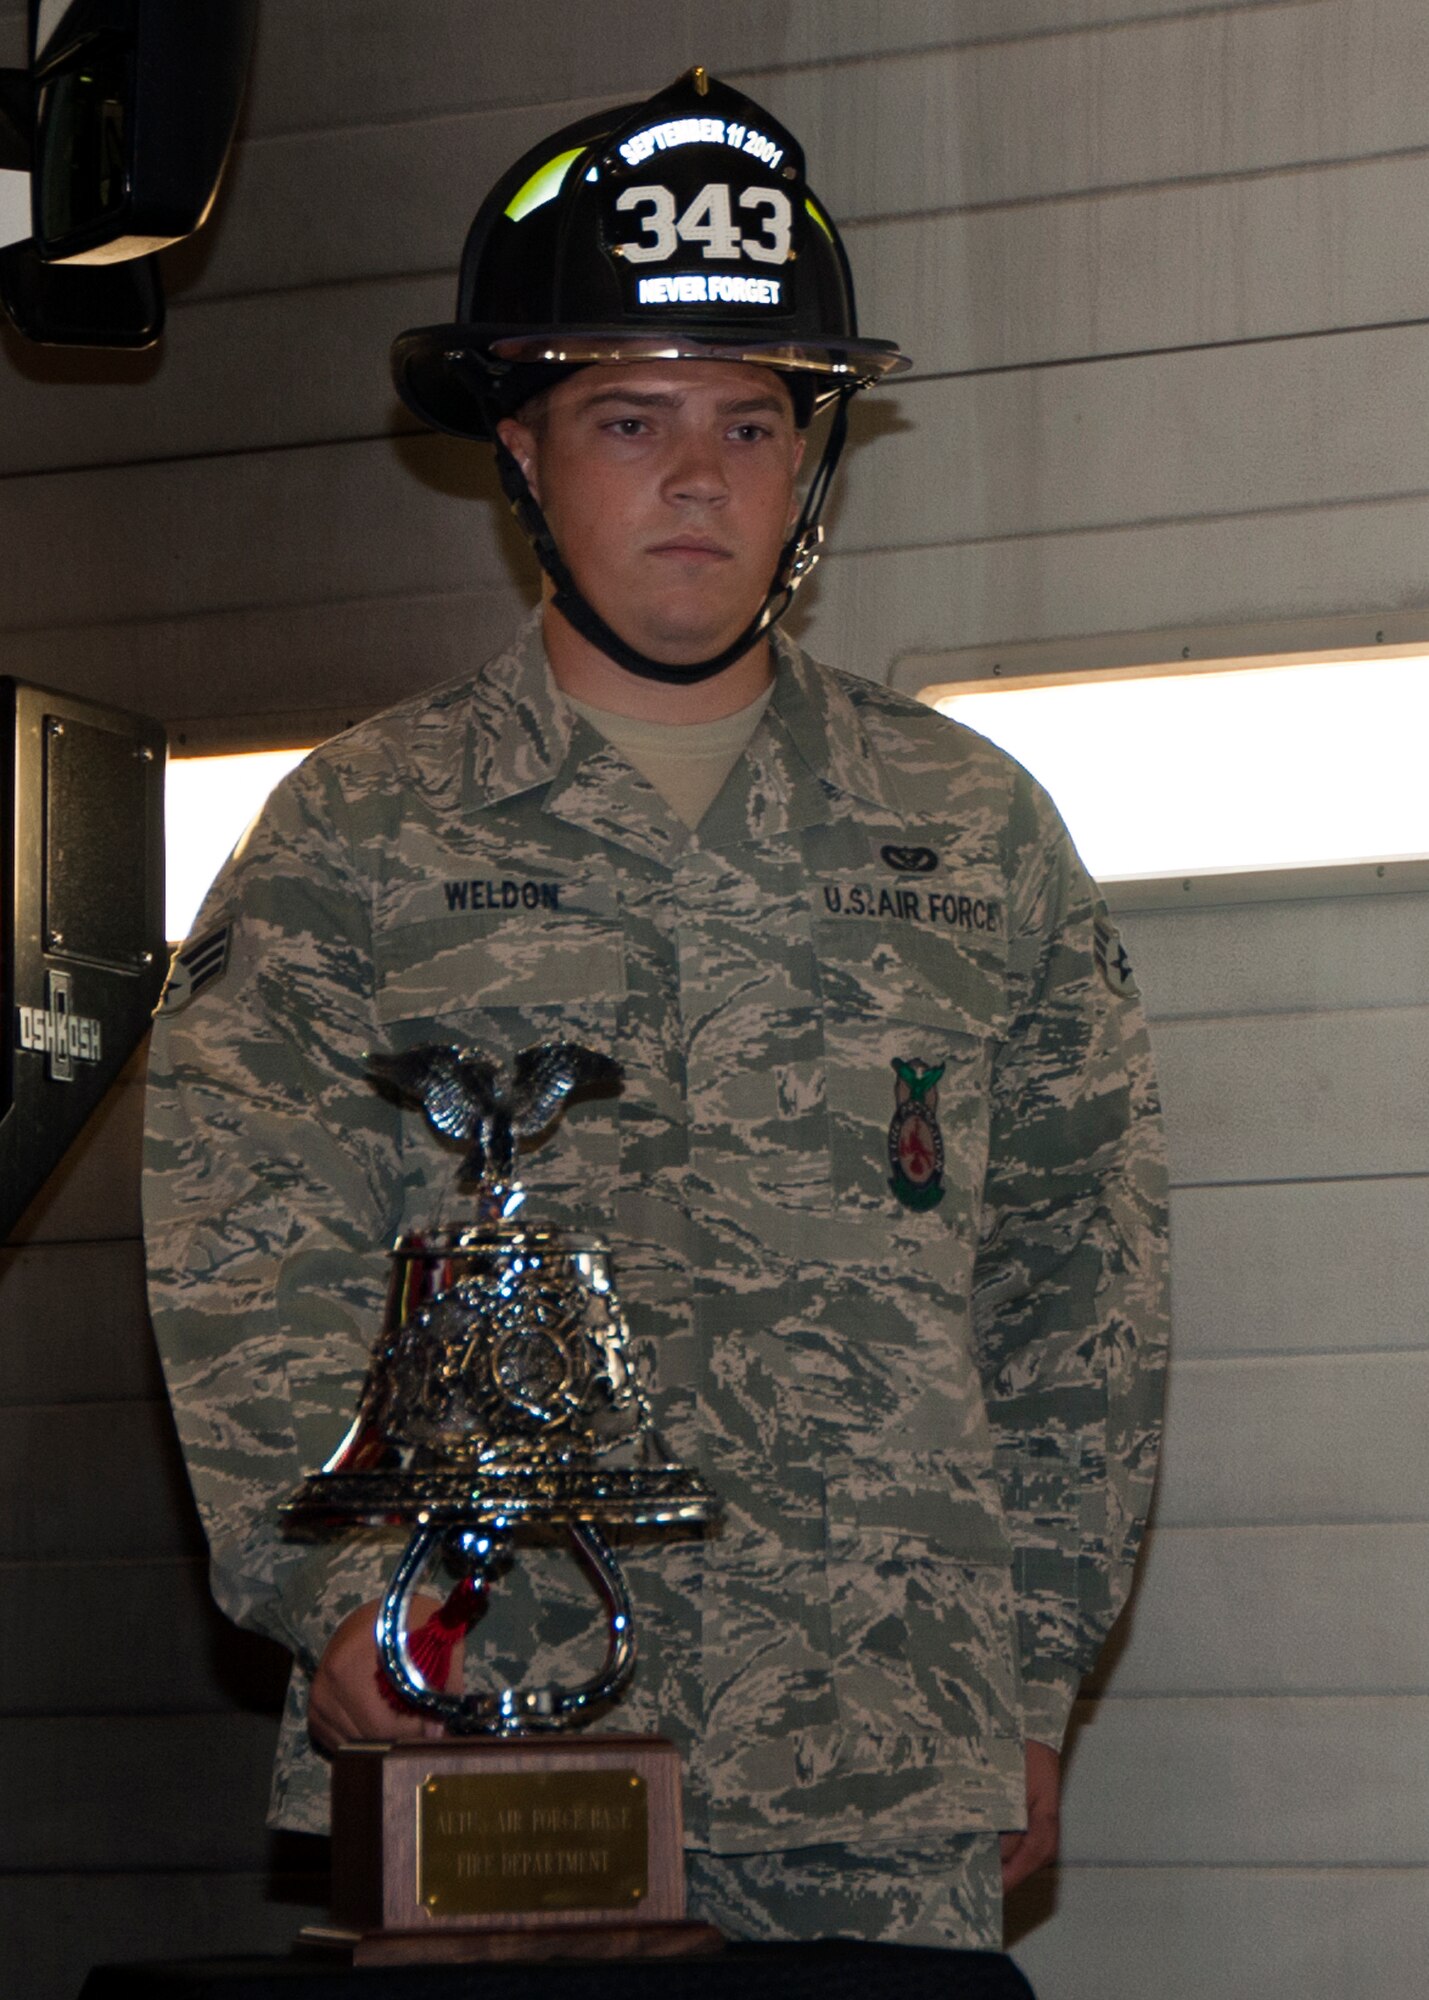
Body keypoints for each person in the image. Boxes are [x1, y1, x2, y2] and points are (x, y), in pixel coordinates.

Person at [144, 68, 1168, 1953]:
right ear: (520, 452)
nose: (699, 477)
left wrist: (1030, 1681)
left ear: (811, 463)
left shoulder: (967, 833)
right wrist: (345, 1603)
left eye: (752, 421)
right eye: (629, 418)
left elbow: (1072, 1285)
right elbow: (247, 1247)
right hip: (492, 1731)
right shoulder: (359, 832)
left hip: (881, 1749)